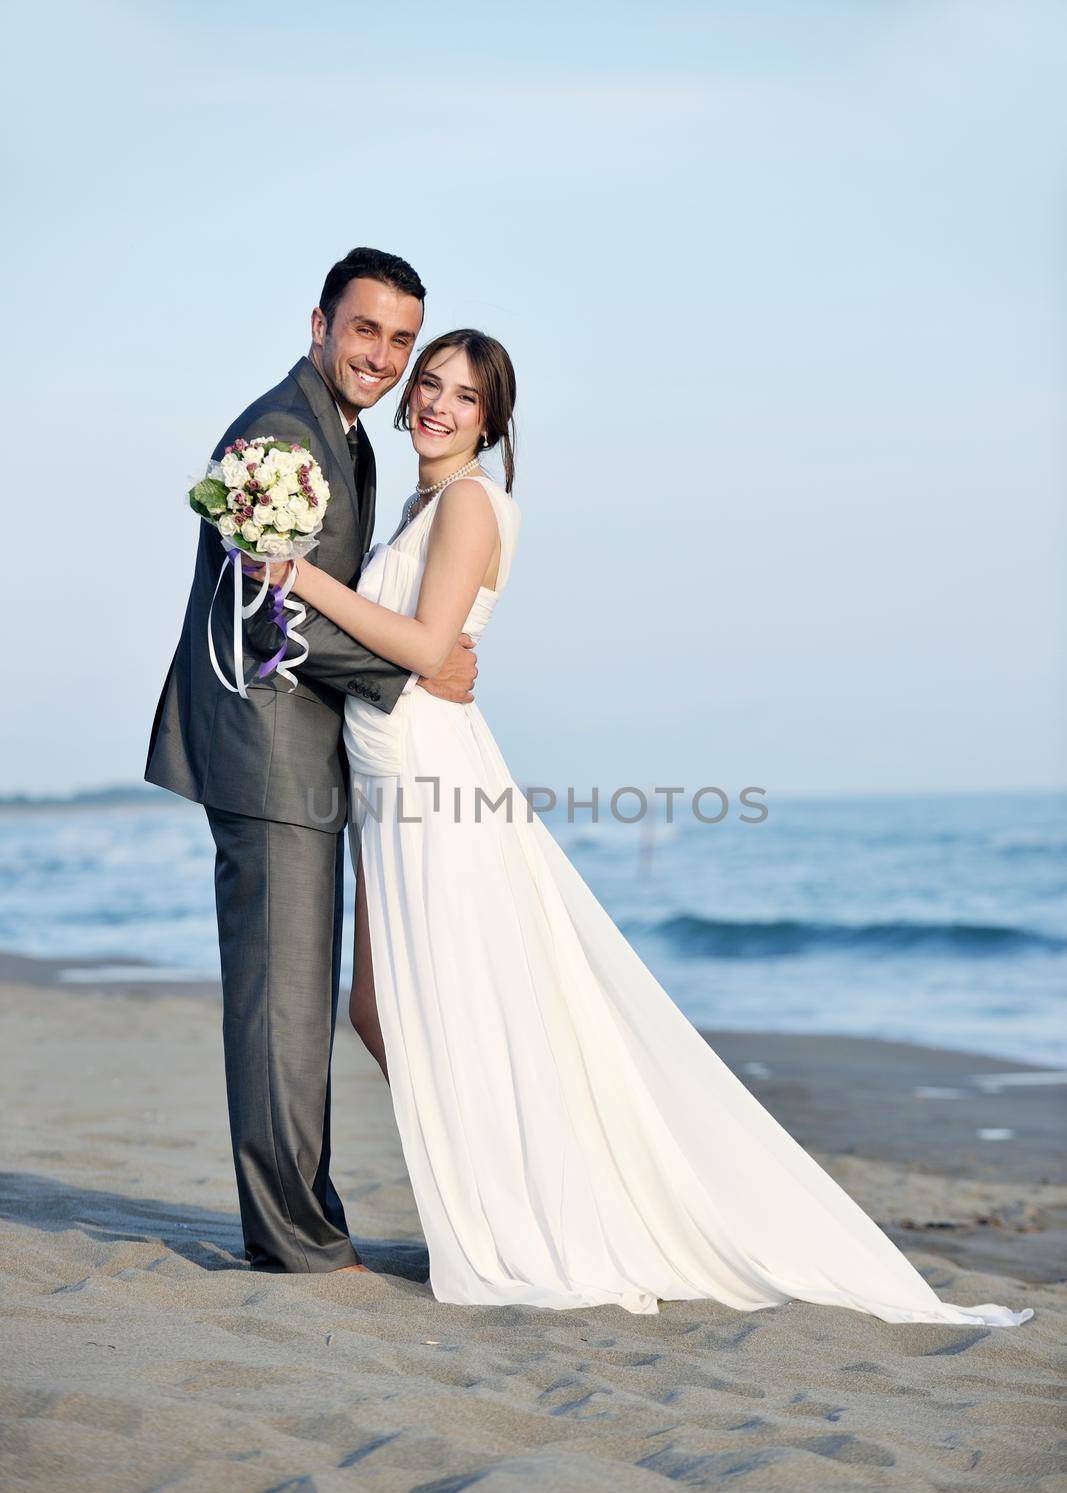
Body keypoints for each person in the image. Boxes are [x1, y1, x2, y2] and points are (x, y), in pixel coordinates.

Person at [262, 326, 1033, 1327]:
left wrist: (299, 574)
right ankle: (505, 1185)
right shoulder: (415, 501)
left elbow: (422, 644)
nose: (439, 404)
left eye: (464, 394)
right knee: (383, 1011)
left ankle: (531, 1204)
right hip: (385, 779)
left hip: (429, 772)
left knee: (447, 1006)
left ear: (492, 420)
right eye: (430, 384)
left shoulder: (468, 502)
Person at [145, 247, 478, 1274]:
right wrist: (410, 669)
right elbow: (260, 611)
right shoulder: (280, 435)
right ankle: (293, 1240)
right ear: (320, 324)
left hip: (305, 750)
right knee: (282, 1004)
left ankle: (307, 1214)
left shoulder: (345, 440)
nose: (382, 356)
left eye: (400, 339)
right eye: (365, 330)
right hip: (266, 745)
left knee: (296, 1001)